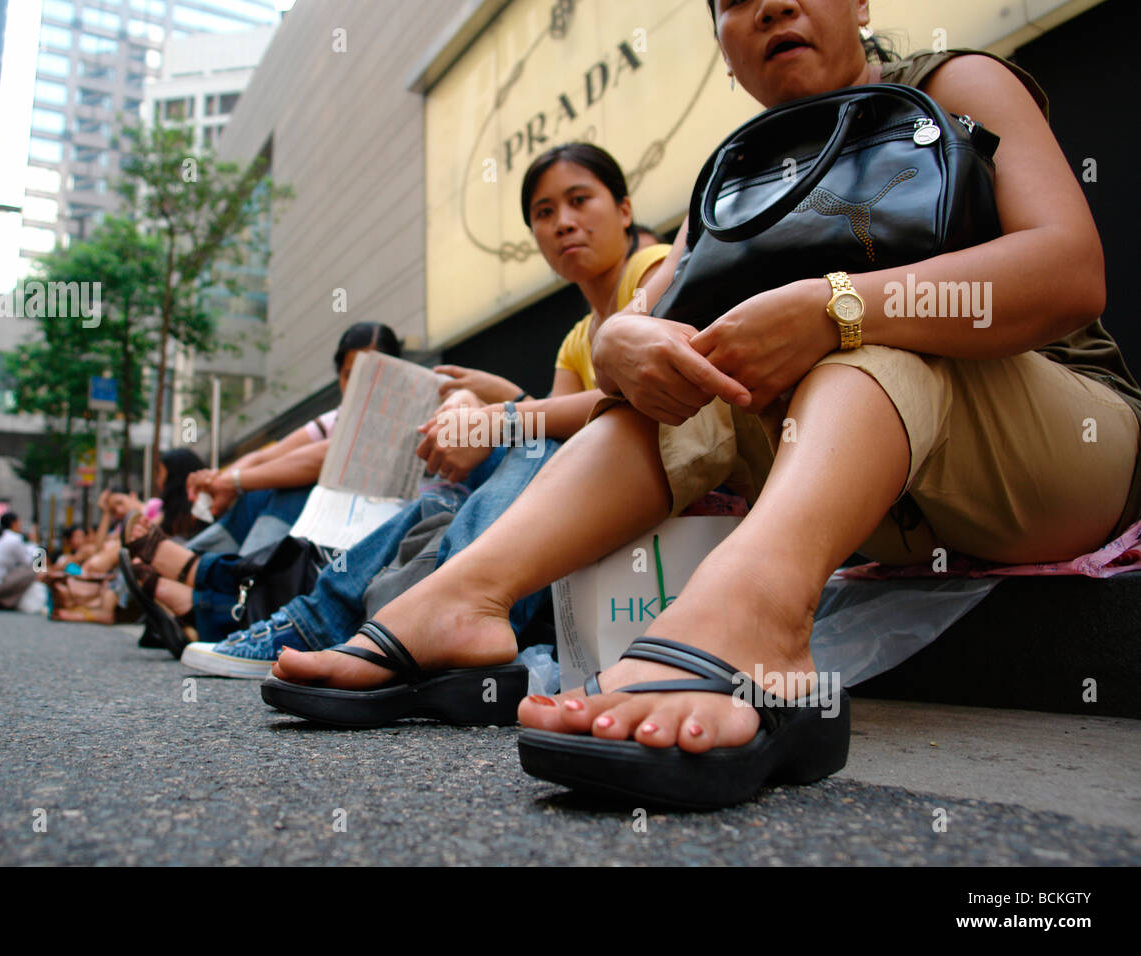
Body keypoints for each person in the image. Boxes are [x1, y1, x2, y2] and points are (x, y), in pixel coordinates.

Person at [266, 0, 1141, 807]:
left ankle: (758, 626)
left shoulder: (953, 86)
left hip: (1055, 457)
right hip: (875, 483)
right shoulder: (736, 173)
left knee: (866, 329)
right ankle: (463, 601)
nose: (770, 4)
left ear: (862, 3)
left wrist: (836, 304)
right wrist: (618, 345)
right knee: (676, 380)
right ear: (723, 48)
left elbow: (1070, 272)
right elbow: (645, 333)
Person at [178, 146, 670, 679]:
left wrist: (497, 413)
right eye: (544, 213)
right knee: (457, 484)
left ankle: (353, 617)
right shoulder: (576, 338)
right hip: (589, 494)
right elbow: (565, 419)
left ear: (624, 210)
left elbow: (614, 408)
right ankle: (379, 617)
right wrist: (480, 402)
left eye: (579, 200)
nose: (563, 223)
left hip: (654, 482)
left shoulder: (650, 266)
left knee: (526, 447)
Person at [184, 323, 404, 557]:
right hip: (323, 535)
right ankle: (205, 567)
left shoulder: (402, 419)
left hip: (365, 538)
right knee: (261, 491)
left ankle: (206, 568)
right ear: (339, 375)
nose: (361, 385)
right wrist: (219, 480)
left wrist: (234, 481)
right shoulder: (334, 421)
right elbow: (264, 456)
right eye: (350, 375)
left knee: (289, 489)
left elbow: (326, 457)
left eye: (374, 375)